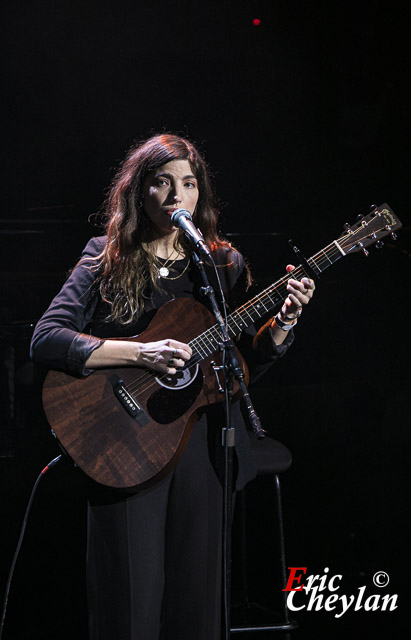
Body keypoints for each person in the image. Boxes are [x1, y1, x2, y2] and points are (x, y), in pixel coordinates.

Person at [30, 134, 315, 640]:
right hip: (121, 441)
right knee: (130, 607)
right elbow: (47, 339)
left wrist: (283, 325)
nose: (177, 195)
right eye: (162, 183)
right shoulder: (105, 256)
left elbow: (243, 366)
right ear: (139, 193)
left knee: (197, 605)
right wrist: (142, 352)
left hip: (201, 445)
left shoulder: (221, 265)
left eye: (188, 183)